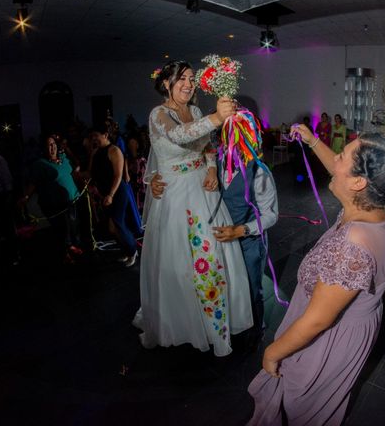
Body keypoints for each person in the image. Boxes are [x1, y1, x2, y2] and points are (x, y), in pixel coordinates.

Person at [248, 126, 385, 425]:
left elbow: (317, 321)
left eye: (341, 156)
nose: (333, 161)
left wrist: (272, 353)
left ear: (360, 181)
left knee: (299, 410)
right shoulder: (375, 206)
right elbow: (341, 174)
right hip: (352, 327)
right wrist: (312, 141)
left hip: (328, 338)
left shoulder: (353, 245)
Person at [133, 60, 253, 357]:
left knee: (212, 255)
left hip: (203, 189)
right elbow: (180, 136)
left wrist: (211, 169)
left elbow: (206, 146)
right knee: (181, 263)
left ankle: (217, 324)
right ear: (166, 84)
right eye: (181, 79)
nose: (188, 83)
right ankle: (184, 323)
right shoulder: (158, 114)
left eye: (191, 78)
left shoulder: (197, 111)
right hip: (176, 197)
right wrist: (216, 117)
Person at [151, 123, 279, 350]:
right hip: (221, 241)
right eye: (225, 139)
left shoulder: (260, 172)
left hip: (248, 241)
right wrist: (153, 182)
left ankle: (256, 329)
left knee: (251, 288)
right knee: (228, 283)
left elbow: (271, 215)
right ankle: (235, 325)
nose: (229, 146)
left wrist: (241, 230)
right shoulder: (214, 164)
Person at [19, 135, 82, 263]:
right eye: (48, 145)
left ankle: (71, 246)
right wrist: (26, 197)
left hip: (73, 198)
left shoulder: (64, 159)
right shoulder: (40, 164)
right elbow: (33, 182)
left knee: (73, 224)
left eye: (53, 144)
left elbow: (75, 170)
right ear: (44, 148)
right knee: (61, 228)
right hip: (55, 203)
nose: (52, 147)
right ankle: (65, 253)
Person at [89, 122, 139, 266]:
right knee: (113, 228)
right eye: (92, 136)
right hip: (105, 194)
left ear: (105, 135)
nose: (93, 139)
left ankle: (132, 250)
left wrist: (111, 194)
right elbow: (91, 173)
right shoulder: (95, 152)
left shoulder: (114, 150)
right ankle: (125, 250)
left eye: (95, 136)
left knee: (115, 225)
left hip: (117, 192)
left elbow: (118, 176)